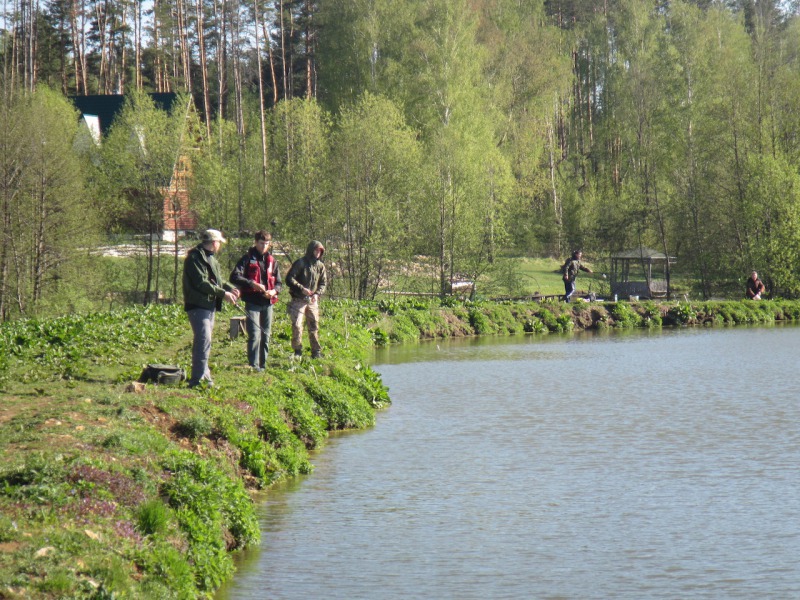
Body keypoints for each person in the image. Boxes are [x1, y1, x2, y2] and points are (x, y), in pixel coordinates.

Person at [182, 229, 240, 388]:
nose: (220, 245)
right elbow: (202, 283)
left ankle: (204, 376)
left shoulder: (212, 259)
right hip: (197, 305)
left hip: (209, 306)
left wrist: (230, 288)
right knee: (203, 340)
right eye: (219, 242)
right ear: (214, 243)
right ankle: (197, 381)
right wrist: (223, 294)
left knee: (204, 342)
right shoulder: (194, 258)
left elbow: (218, 281)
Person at [230, 230, 282, 371]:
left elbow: (279, 283)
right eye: (261, 243)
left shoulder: (272, 261)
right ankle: (253, 365)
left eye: (266, 244)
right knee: (254, 334)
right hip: (252, 302)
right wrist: (252, 283)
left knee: (266, 335)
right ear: (255, 242)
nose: (264, 246)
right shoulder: (246, 259)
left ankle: (263, 365)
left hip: (268, 303)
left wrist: (273, 291)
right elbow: (234, 276)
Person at [286, 240, 327, 358]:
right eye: (316, 250)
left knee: (314, 325)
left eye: (320, 251)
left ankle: (316, 351)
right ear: (311, 250)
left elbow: (323, 283)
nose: (318, 253)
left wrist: (317, 294)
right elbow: (289, 279)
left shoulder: (321, 266)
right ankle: (297, 351)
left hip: (312, 301)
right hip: (298, 299)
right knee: (297, 325)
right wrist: (301, 289)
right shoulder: (300, 263)